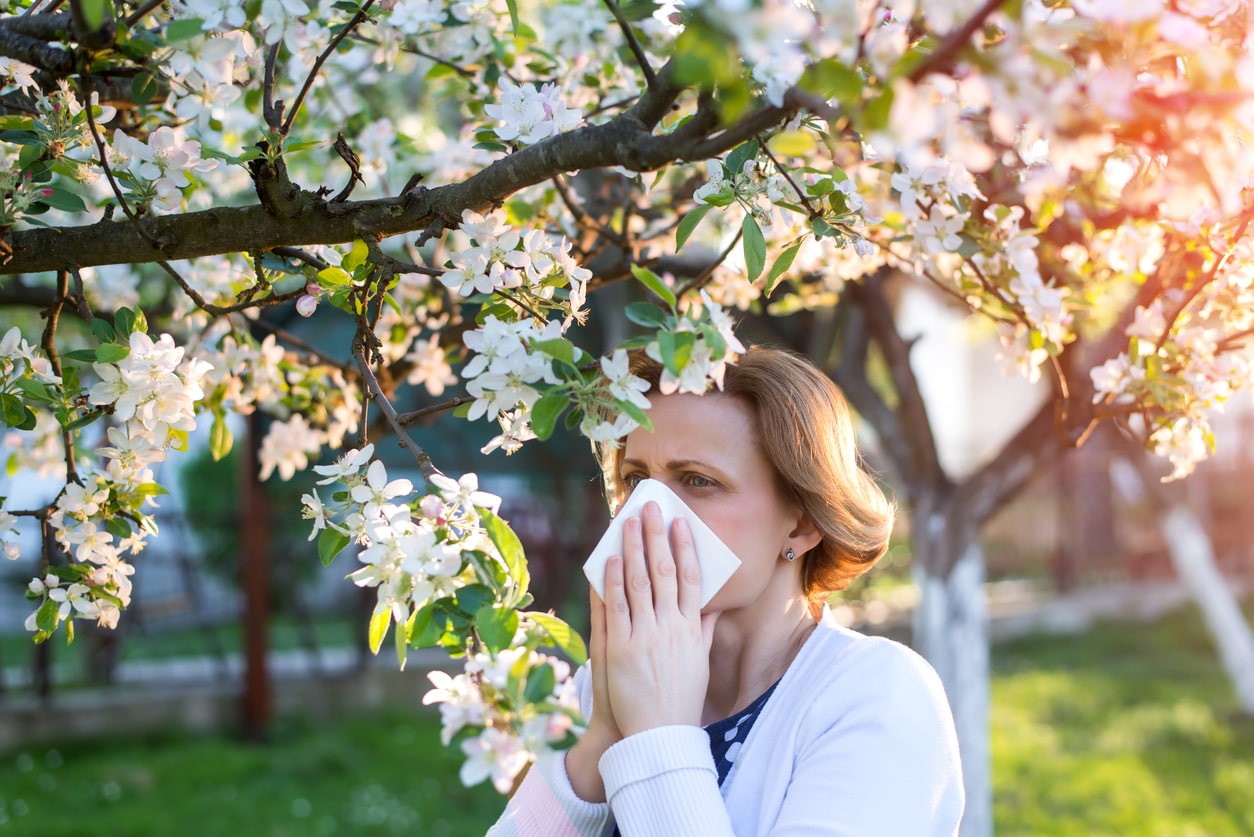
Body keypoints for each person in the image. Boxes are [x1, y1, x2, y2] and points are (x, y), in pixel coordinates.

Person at [488, 345, 964, 836]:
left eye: (698, 480)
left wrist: (657, 734)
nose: (648, 512)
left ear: (801, 523)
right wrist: (603, 736)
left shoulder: (876, 694)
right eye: (637, 479)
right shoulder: (606, 684)